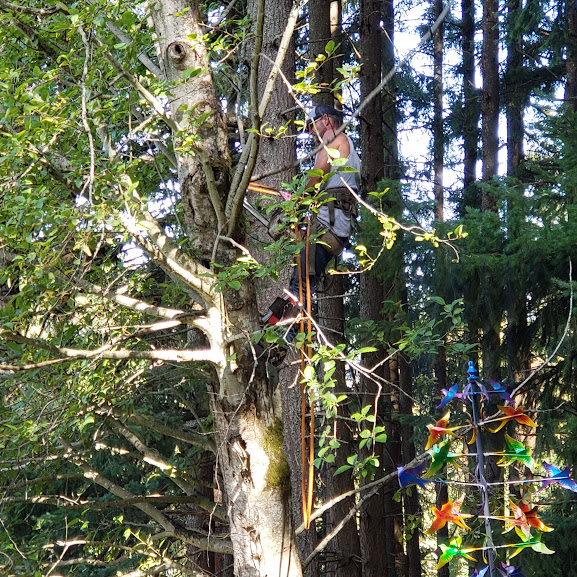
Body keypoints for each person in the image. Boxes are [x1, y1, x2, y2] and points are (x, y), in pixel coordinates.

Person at [262, 104, 361, 334]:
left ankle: (285, 335)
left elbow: (315, 178)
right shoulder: (348, 148)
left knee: (301, 285)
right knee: (303, 282)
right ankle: (281, 330)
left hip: (327, 227)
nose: (310, 132)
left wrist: (294, 203)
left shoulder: (333, 138)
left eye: (311, 125)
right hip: (335, 229)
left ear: (326, 119)